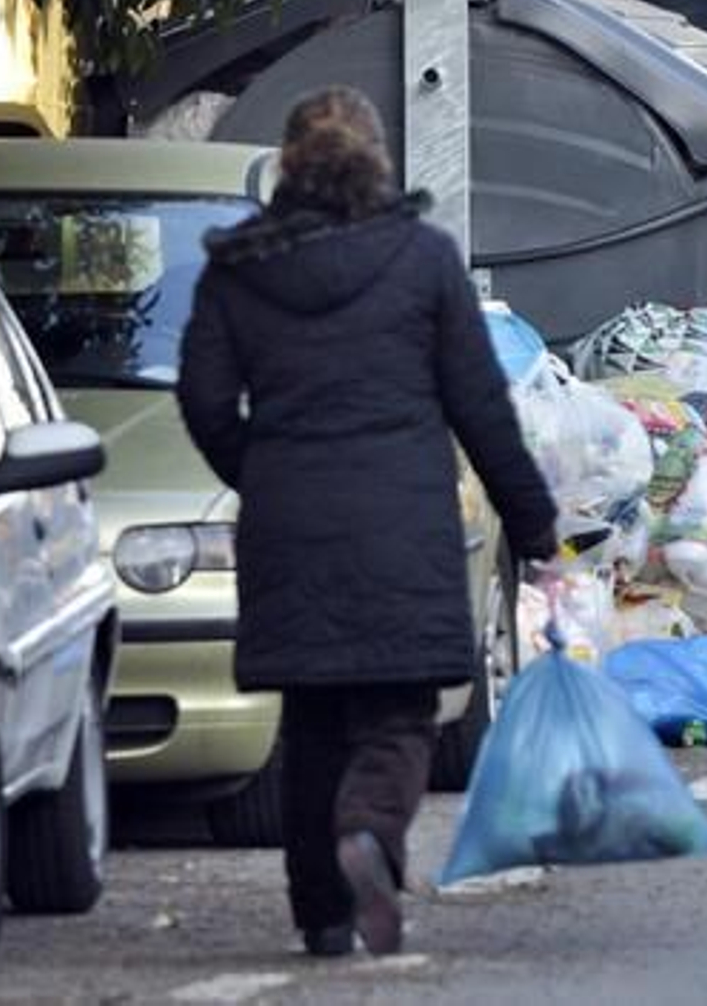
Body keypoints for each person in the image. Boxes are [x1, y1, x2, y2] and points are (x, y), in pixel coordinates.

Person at [176, 86, 559, 956]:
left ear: (288, 165)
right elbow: (481, 405)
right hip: (402, 525)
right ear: (379, 162)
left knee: (311, 724)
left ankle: (320, 916)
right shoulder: (423, 260)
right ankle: (371, 836)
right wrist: (532, 521)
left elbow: (202, 399)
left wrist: (260, 471)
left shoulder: (237, 268)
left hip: (289, 528)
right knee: (397, 714)